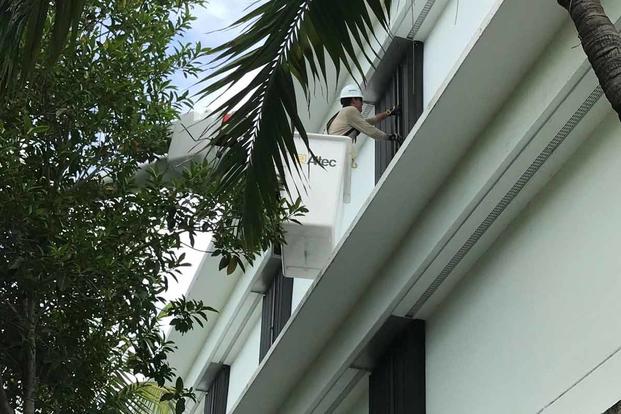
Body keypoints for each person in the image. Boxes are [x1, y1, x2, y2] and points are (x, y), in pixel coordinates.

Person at [326, 84, 401, 143]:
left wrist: (389, 112)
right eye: (361, 100)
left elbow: (370, 121)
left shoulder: (343, 113)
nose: (362, 104)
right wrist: (389, 137)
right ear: (353, 100)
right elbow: (370, 130)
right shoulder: (350, 110)